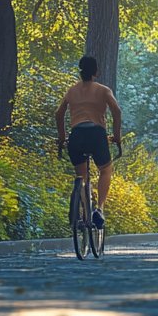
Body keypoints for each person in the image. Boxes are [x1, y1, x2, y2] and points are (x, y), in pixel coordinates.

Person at [56, 55, 122, 228]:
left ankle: (84, 212)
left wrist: (62, 138)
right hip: (96, 134)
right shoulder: (103, 90)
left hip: (77, 135)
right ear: (96, 72)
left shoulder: (71, 91)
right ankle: (99, 209)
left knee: (81, 175)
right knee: (106, 170)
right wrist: (116, 136)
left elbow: (59, 113)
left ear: (80, 71)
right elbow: (117, 112)